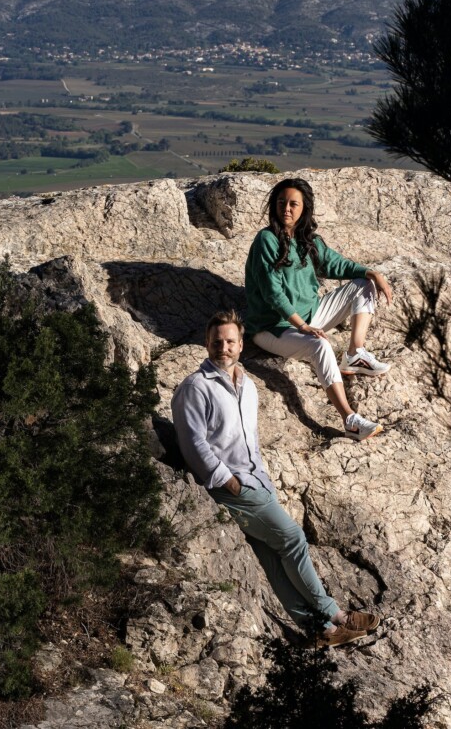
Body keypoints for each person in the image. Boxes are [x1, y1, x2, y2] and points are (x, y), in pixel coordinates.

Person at [172, 310, 382, 648]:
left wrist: (263, 479)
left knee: (272, 560)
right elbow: (194, 442)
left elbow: (250, 440)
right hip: (232, 488)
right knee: (293, 540)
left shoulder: (249, 386)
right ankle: (336, 615)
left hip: (257, 482)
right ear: (206, 344)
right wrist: (228, 481)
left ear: (240, 345)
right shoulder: (195, 388)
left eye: (229, 342)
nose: (222, 347)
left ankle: (320, 630)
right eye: (216, 342)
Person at [244, 176, 393, 441]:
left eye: (293, 204)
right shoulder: (266, 240)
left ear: (304, 209)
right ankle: (350, 419)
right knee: (320, 346)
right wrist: (302, 326)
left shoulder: (308, 241)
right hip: (273, 327)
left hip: (310, 316)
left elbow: (338, 265)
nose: (286, 209)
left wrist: (372, 272)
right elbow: (272, 292)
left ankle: (355, 352)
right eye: (281, 203)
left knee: (363, 284)